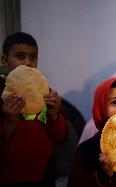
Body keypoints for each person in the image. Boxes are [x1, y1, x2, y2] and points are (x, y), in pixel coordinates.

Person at [0, 32, 68, 187]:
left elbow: (60, 138)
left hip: (44, 174)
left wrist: (55, 114)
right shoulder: (2, 95)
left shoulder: (45, 92)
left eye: (33, 56)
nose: (28, 62)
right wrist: (10, 124)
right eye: (20, 56)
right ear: (4, 60)